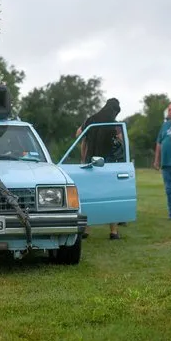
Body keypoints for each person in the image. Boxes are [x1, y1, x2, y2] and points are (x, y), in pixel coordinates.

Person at [75, 98, 123, 240]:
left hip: (91, 164)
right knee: (111, 197)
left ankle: (86, 230)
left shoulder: (90, 120)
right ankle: (113, 232)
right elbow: (122, 141)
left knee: (90, 197)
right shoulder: (114, 124)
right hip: (109, 165)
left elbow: (78, 134)